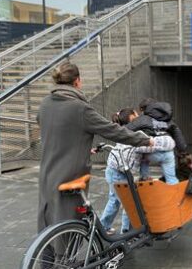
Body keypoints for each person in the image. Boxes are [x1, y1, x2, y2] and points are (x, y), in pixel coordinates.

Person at [36, 62, 154, 232]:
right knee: (68, 220)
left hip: (47, 172)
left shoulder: (45, 103)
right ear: (77, 81)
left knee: (48, 219)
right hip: (70, 173)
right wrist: (145, 140)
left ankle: (45, 256)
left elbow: (51, 125)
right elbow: (112, 130)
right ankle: (68, 257)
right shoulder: (80, 108)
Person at [100, 108, 176, 234]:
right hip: (119, 174)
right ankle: (127, 232)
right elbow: (153, 146)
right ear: (133, 118)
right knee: (129, 204)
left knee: (114, 200)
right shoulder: (138, 135)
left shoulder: (125, 130)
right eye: (137, 114)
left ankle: (104, 227)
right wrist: (169, 142)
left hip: (112, 169)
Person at [126, 100, 188, 185]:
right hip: (168, 152)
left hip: (151, 152)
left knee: (142, 154)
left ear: (143, 109)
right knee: (171, 179)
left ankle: (144, 178)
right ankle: (174, 193)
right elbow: (178, 134)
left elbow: (127, 129)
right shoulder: (168, 120)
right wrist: (182, 149)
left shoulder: (143, 118)